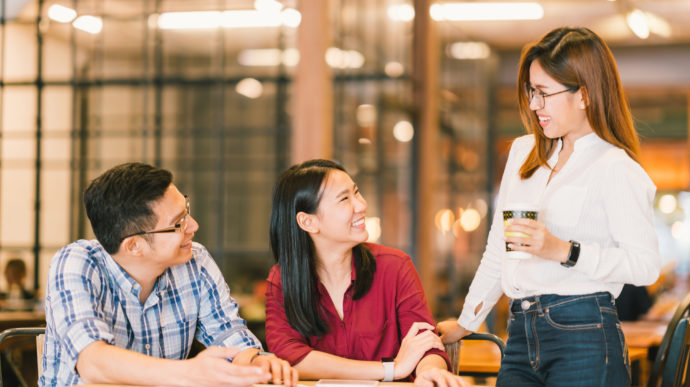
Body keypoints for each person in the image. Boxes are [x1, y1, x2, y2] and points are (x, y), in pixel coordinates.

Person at [437, 27, 661, 386]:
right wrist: (467, 321)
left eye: (543, 93)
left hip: (585, 334)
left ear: (584, 95)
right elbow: (499, 248)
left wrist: (565, 251)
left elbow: (645, 265)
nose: (534, 105)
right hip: (520, 334)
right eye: (531, 92)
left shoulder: (615, 168)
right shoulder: (524, 152)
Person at [40, 163, 298, 387]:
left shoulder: (194, 260)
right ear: (134, 246)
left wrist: (257, 361)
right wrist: (189, 372)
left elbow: (229, 335)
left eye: (187, 210)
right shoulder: (77, 263)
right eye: (178, 223)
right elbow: (93, 364)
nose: (194, 226)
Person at [265, 159, 468, 387]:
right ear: (308, 222)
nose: (361, 205)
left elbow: (426, 344)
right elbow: (291, 357)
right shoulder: (283, 280)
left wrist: (429, 371)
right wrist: (392, 369)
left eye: (357, 193)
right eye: (344, 199)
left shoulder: (395, 266)